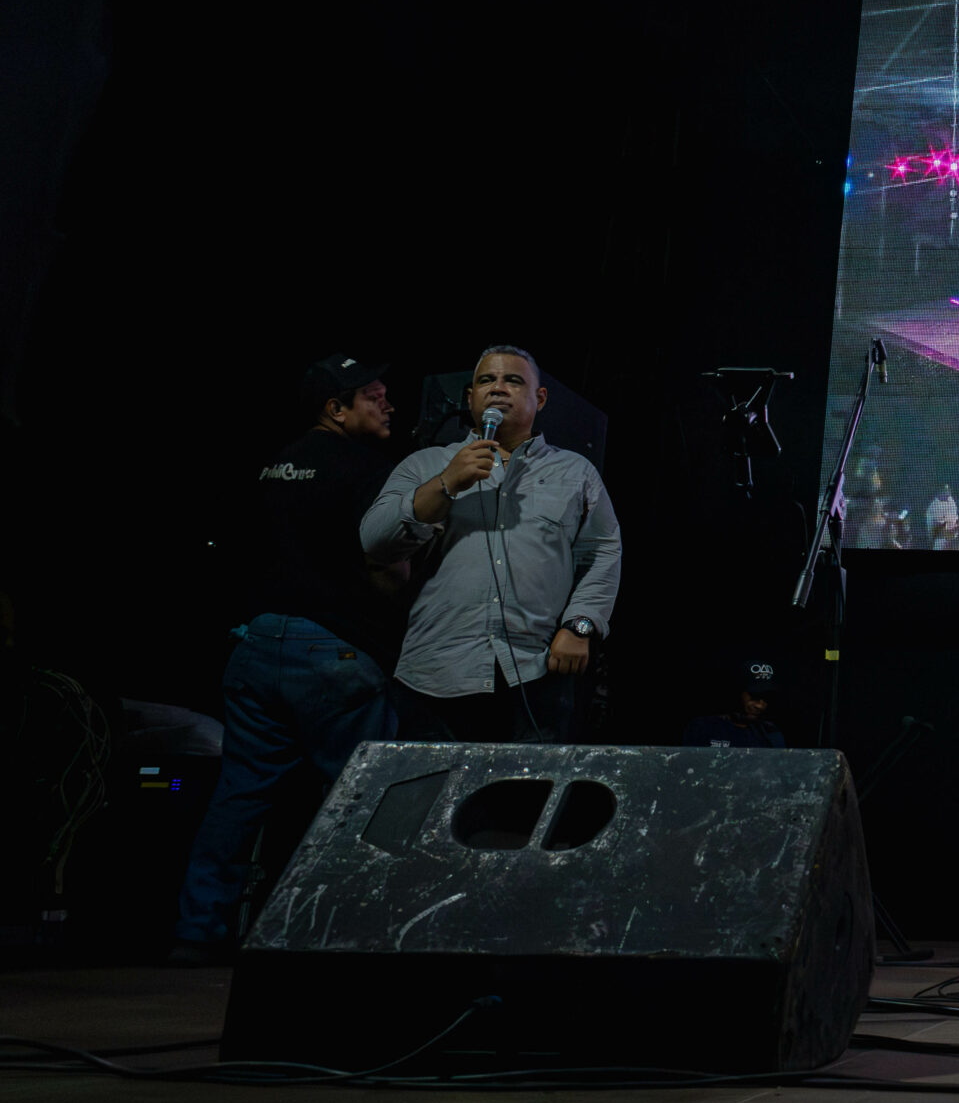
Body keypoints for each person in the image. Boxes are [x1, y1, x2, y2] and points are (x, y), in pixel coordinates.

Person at [171, 355, 407, 960]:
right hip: (333, 650)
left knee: (239, 796)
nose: (388, 404)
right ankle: (355, 936)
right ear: (336, 409)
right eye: (373, 396)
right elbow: (385, 566)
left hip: (257, 645)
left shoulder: (269, 466)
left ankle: (198, 933)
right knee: (363, 798)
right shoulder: (370, 470)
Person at [361, 346, 622, 743]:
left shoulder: (575, 472)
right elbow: (376, 542)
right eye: (486, 380)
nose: (498, 388)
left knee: (526, 786)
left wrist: (580, 625)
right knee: (432, 784)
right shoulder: (425, 464)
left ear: (540, 398)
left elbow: (602, 553)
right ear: (470, 398)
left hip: (537, 671)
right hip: (436, 671)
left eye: (513, 380)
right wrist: (446, 483)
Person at [682, 660, 787, 748]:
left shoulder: (771, 733)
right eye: (754, 696)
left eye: (766, 698)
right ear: (736, 692)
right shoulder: (702, 727)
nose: (760, 705)